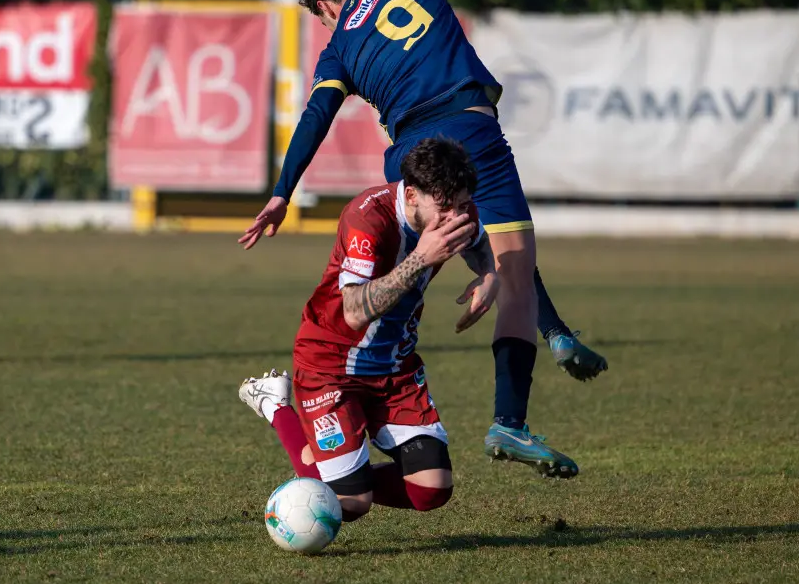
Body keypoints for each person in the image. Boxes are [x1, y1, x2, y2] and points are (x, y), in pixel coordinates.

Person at [218, 0, 605, 476]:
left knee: (464, 261)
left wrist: (282, 191)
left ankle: (534, 321)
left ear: (324, 5)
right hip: (470, 132)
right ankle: (513, 411)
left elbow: (316, 118)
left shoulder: (338, 52)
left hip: (411, 160)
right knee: (513, 266)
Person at [241, 139, 575, 525]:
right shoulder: (368, 218)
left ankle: (344, 477)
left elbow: (479, 240)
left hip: (394, 369)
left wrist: (488, 274)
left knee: (432, 489)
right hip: (329, 364)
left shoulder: (457, 209)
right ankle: (275, 405)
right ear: (412, 195)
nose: (456, 217)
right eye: (446, 208)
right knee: (350, 505)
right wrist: (421, 258)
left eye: (463, 205)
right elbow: (352, 313)